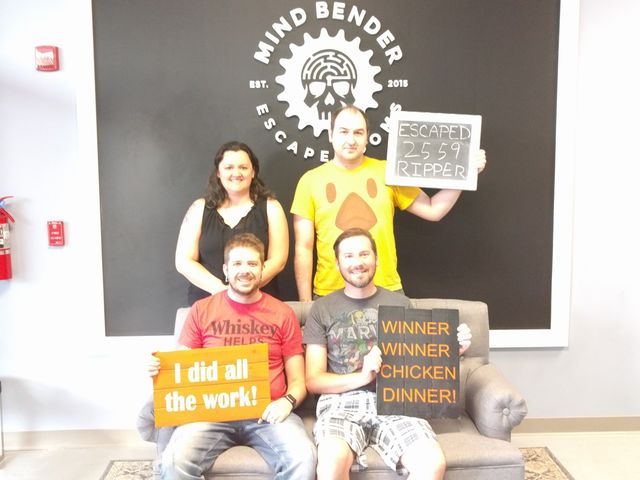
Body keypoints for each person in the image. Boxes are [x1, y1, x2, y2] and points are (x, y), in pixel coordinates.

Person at [303, 228, 471, 480]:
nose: (358, 262)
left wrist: (451, 350)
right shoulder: (322, 308)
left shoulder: (401, 304)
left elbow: (422, 367)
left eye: (364, 254)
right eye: (349, 256)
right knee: (330, 463)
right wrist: (363, 376)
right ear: (337, 264)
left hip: (397, 401)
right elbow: (314, 380)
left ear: (376, 259)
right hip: (341, 402)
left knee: (432, 463)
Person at [148, 233, 316, 480]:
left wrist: (287, 401)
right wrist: (161, 369)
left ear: (262, 269)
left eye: (252, 263)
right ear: (226, 270)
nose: (244, 270)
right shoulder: (202, 310)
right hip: (212, 413)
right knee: (174, 462)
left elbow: (298, 381)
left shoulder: (283, 313)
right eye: (237, 263)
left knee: (304, 458)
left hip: (268, 413)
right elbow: (181, 370)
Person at [290, 104, 487, 300]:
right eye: (343, 132)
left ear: (367, 137)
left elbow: (433, 209)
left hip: (385, 289)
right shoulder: (310, 181)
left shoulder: (387, 172)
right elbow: (303, 248)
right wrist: (305, 305)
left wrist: (466, 173)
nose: (351, 140)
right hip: (330, 292)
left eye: (358, 132)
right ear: (331, 134)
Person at [176, 141, 288, 305]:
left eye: (243, 167)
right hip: (208, 304)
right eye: (229, 167)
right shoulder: (199, 208)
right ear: (218, 173)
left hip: (258, 305)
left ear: (253, 172)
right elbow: (183, 261)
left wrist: (244, 289)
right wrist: (221, 290)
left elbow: (278, 260)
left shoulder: (271, 207)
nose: (236, 173)